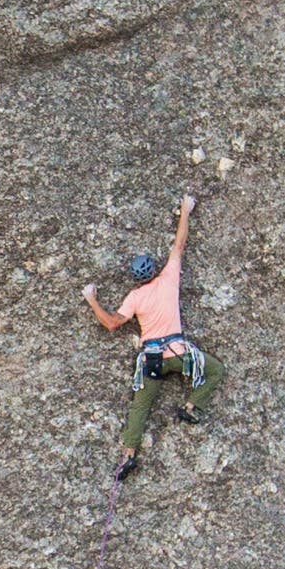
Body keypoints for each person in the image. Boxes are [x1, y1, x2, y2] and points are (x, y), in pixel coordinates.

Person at [87, 192, 211, 479]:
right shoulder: (168, 279)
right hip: (179, 354)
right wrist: (185, 211)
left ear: (136, 278)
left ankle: (128, 455)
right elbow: (179, 245)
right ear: (154, 270)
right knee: (215, 370)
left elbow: (112, 323)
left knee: (140, 406)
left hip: (153, 360)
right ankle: (192, 406)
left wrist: (92, 299)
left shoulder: (135, 297)